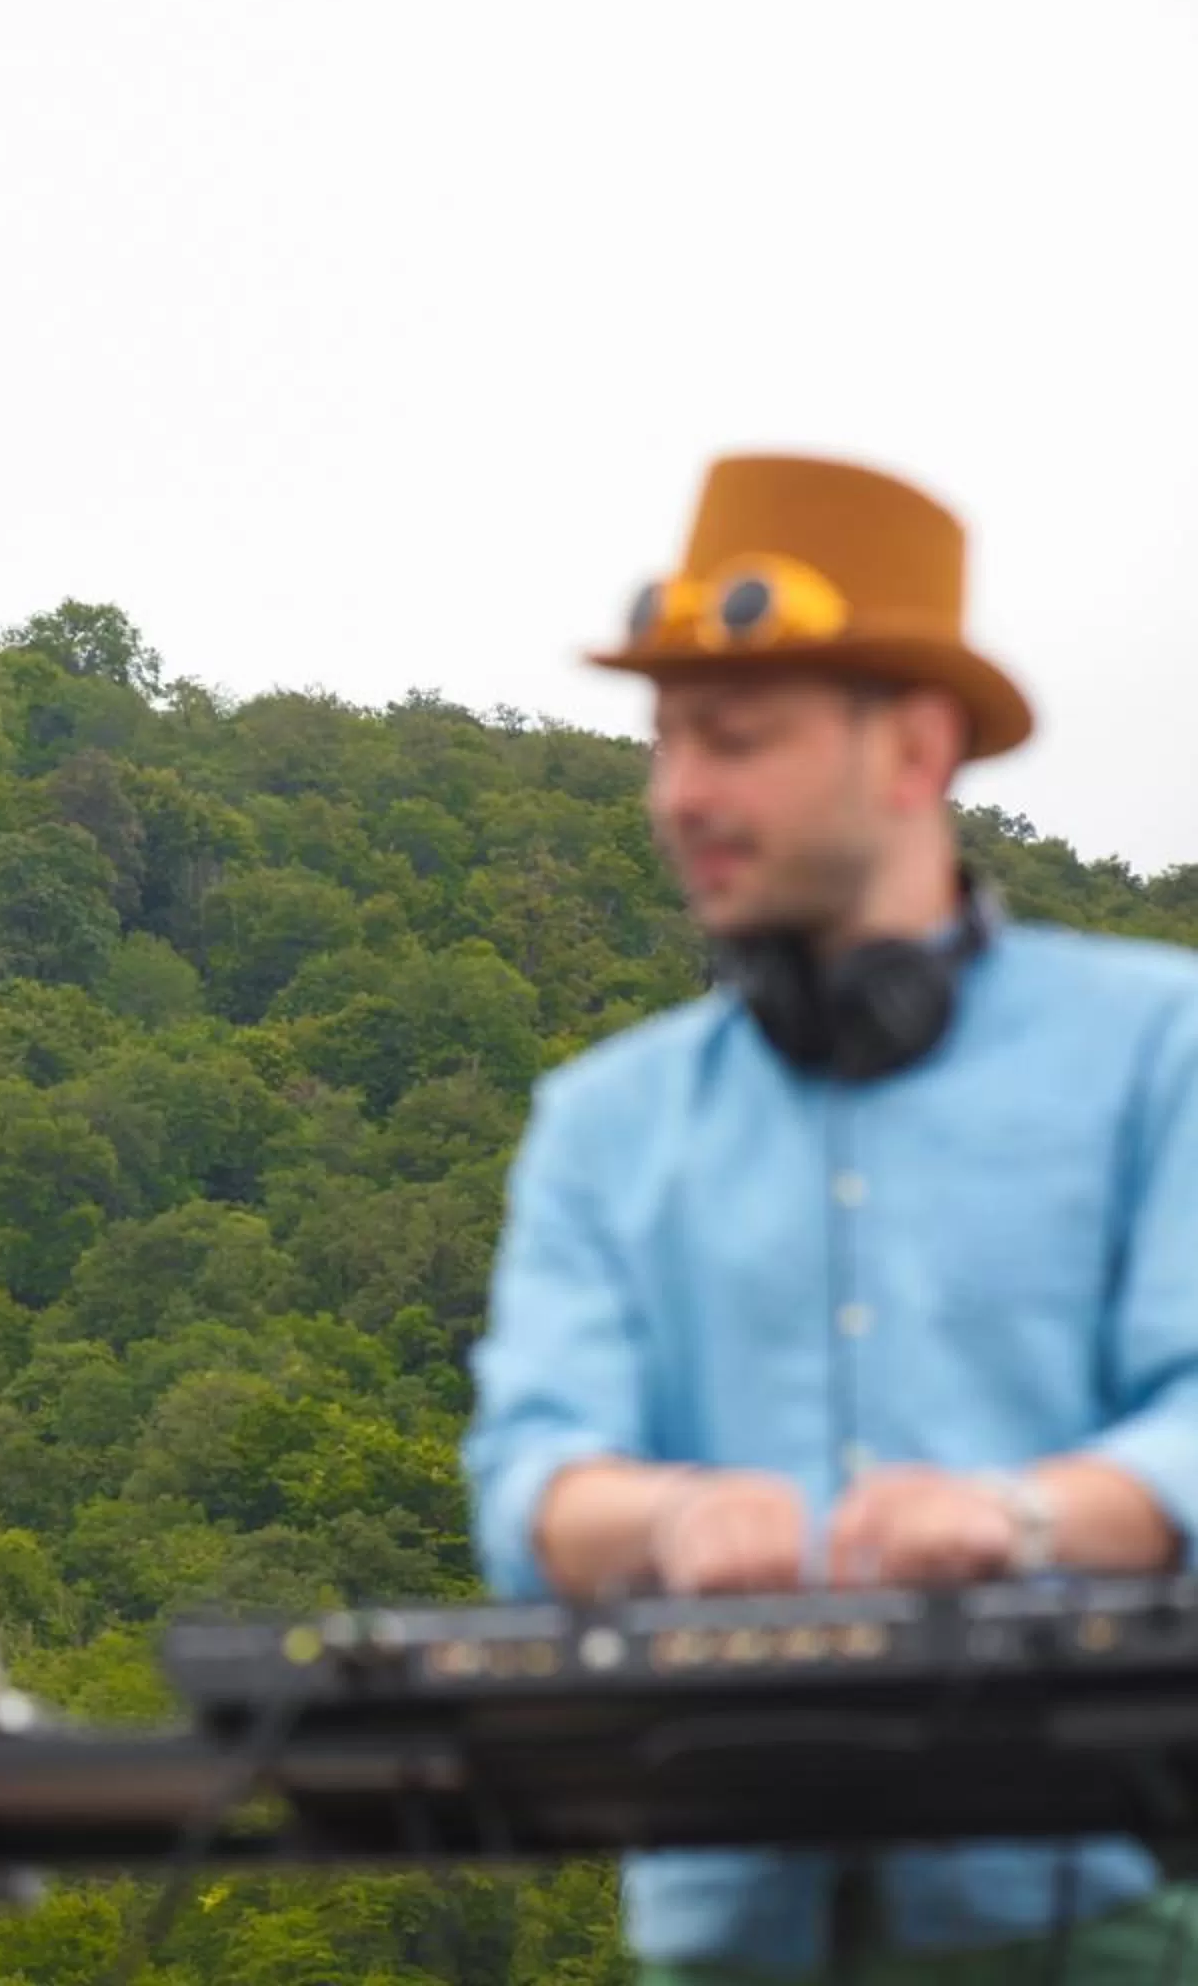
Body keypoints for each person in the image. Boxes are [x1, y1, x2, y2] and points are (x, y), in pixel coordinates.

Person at [461, 452, 1198, 1982]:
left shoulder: (1161, 1051)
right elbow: (530, 1474)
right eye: (665, 743)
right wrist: (663, 1516)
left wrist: (1024, 1516)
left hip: (1102, 1912)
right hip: (726, 1934)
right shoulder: (600, 1121)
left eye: (734, 742)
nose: (681, 796)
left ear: (916, 749)